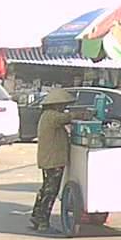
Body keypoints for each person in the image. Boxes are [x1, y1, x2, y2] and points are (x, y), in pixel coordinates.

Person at [29, 88, 85, 232]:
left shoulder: (46, 115)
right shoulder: (51, 116)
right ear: (56, 104)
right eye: (62, 105)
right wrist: (81, 114)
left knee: (45, 190)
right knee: (50, 191)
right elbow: (66, 118)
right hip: (53, 160)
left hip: (48, 158)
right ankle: (43, 222)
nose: (64, 107)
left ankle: (36, 217)